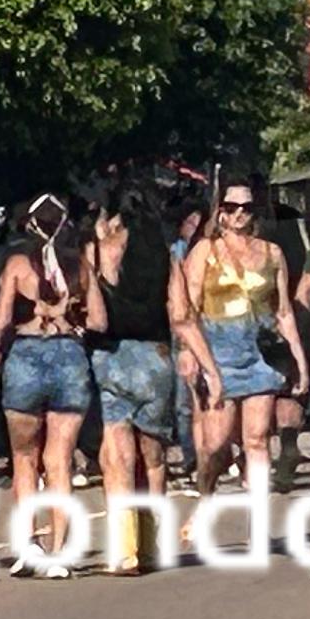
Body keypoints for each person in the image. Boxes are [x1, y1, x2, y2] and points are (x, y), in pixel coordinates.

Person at [182, 176, 305, 496]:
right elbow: (190, 309)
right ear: (220, 211)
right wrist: (189, 351)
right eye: (232, 207)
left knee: (258, 438)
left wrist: (299, 362)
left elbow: (283, 312)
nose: (239, 214)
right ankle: (206, 491)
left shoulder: (272, 253)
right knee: (215, 444)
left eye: (246, 208)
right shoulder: (204, 251)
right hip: (218, 350)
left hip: (260, 351)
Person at [89, 177, 184, 570]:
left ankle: (123, 548)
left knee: (118, 454)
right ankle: (151, 542)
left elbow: (95, 313)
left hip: (111, 356)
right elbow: (180, 313)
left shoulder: (99, 252)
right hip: (156, 356)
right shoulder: (166, 255)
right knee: (155, 455)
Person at [0, 198, 92, 543]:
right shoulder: (80, 266)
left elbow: (2, 318)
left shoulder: (17, 264)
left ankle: (26, 543)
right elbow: (101, 319)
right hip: (70, 355)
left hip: (26, 355)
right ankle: (60, 547)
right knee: (60, 457)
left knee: (24, 457)